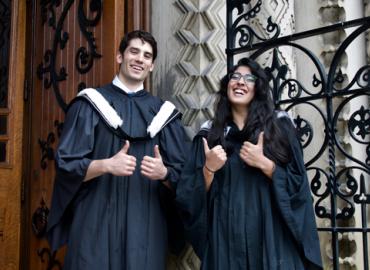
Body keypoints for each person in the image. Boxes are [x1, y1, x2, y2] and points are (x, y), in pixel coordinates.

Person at [47, 30, 188, 270]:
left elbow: (186, 177)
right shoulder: (89, 105)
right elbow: (65, 165)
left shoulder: (164, 115)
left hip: (146, 224)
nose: (139, 59)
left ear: (152, 65)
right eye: (133, 51)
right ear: (120, 56)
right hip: (95, 220)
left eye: (146, 55)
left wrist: (164, 173)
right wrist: (105, 165)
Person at [176, 57, 323, 269]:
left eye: (249, 78)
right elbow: (189, 197)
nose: (240, 82)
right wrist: (209, 169)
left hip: (272, 240)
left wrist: (266, 165)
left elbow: (298, 187)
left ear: (258, 88)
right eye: (234, 77)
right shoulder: (210, 136)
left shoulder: (279, 129)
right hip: (226, 242)